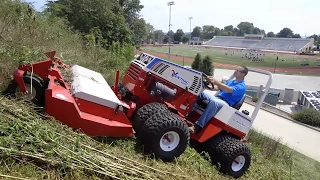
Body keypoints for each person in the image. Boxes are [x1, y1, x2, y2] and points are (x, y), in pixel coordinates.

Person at [189, 66, 249, 134]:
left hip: (226, 103)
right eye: (236, 69)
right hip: (218, 98)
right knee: (199, 92)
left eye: (238, 70)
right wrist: (206, 85)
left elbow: (228, 90)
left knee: (215, 102)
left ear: (243, 74)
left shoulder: (242, 86)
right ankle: (187, 112)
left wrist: (217, 82)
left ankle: (197, 127)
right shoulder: (231, 81)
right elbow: (218, 88)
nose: (235, 71)